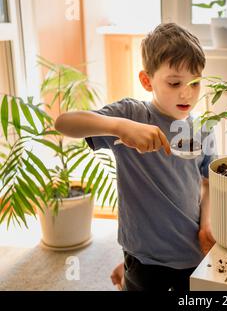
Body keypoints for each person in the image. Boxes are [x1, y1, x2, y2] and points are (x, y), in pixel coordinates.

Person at [55, 23, 216, 291]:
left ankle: (122, 275)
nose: (187, 93)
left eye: (195, 83)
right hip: (145, 257)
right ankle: (125, 276)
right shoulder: (131, 116)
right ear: (146, 80)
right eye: (175, 83)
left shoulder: (203, 127)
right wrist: (118, 126)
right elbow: (64, 123)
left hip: (192, 252)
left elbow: (207, 180)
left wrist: (206, 223)